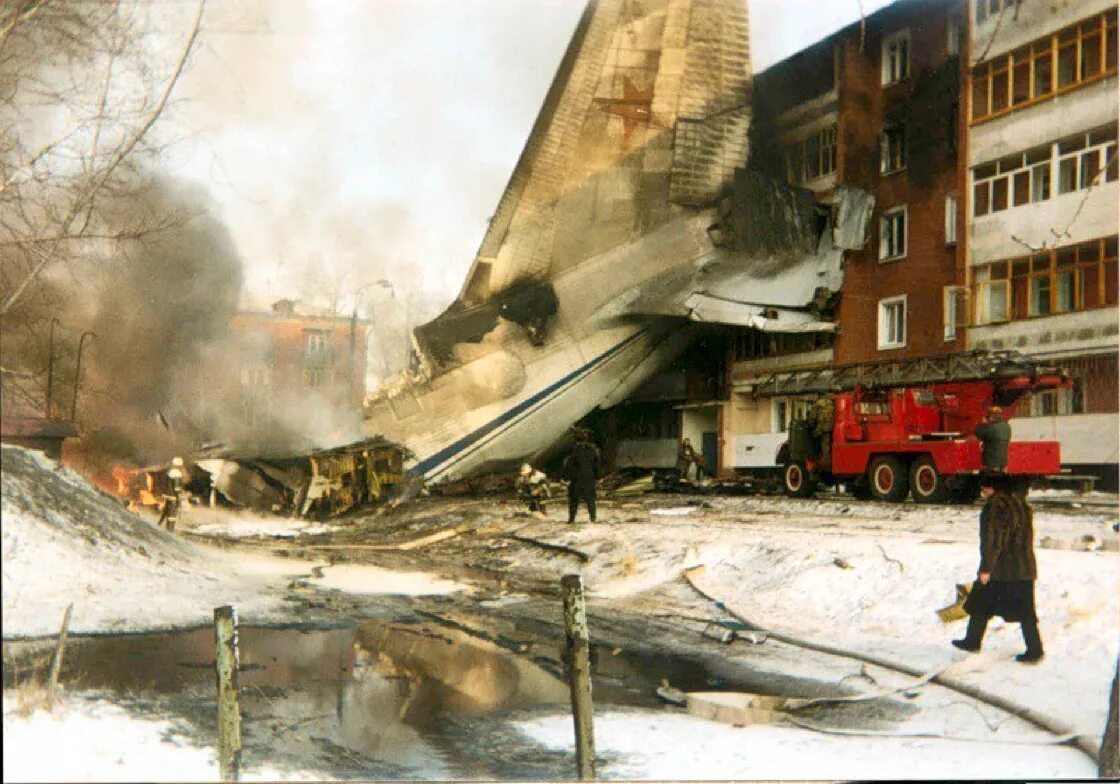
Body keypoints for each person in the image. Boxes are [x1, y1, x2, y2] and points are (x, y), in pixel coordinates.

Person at [952, 474, 1043, 663]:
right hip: (1024, 567)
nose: (983, 491)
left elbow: (994, 541)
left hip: (1003, 570)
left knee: (980, 601)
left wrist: (986, 568)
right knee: (1024, 611)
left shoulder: (996, 506)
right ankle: (1034, 649)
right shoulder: (1020, 504)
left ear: (994, 488)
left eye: (985, 487)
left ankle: (973, 641)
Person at [563, 430, 601, 523]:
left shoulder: (573, 451)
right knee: (590, 500)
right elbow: (596, 465)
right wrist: (598, 477)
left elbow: (569, 465)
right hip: (589, 477)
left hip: (576, 478)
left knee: (574, 500)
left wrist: (565, 478)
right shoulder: (592, 451)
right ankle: (593, 518)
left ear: (575, 440)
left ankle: (571, 519)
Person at [974, 405, 1011, 473]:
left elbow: (977, 433)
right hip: (1003, 463)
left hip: (991, 464)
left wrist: (983, 424)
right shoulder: (1007, 426)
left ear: (991, 416)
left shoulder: (991, 427)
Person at [811, 395, 835, 469]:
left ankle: (825, 464)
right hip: (832, 427)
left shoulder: (818, 404)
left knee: (822, 445)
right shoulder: (831, 402)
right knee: (828, 445)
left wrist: (812, 424)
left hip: (822, 428)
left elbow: (813, 417)